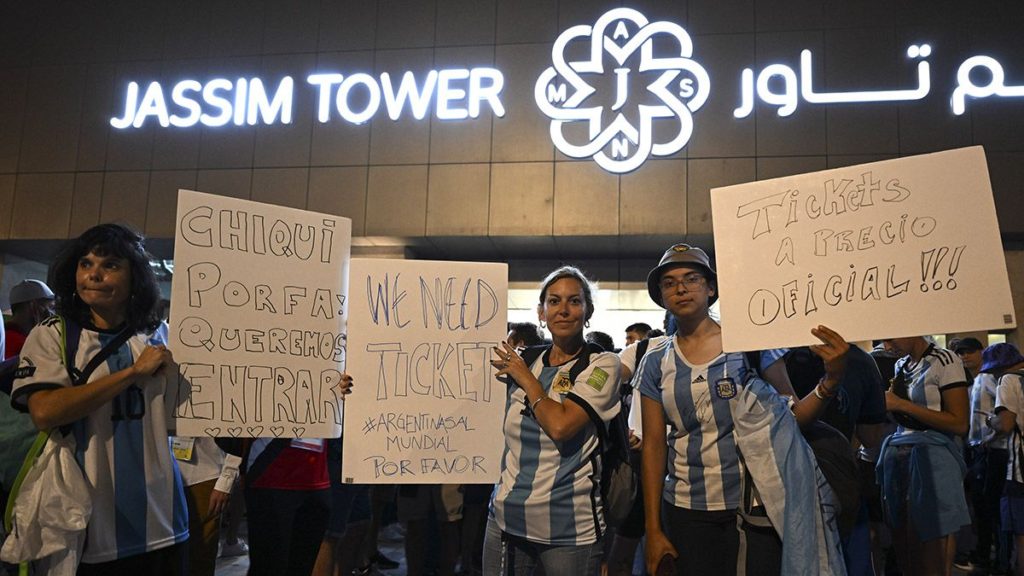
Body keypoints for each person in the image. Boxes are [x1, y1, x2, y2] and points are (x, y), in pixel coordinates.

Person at [637, 243, 850, 576]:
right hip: (684, 509)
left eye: (692, 278)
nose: (680, 288)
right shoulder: (655, 362)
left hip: (754, 506)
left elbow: (794, 420)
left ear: (711, 289)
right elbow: (653, 444)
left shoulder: (750, 348)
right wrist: (653, 528)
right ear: (661, 296)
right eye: (669, 282)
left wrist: (832, 380)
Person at [10, 223, 187, 575]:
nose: (93, 275)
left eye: (110, 265)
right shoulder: (54, 334)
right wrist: (131, 375)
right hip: (89, 522)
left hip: (164, 518)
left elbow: (182, 415)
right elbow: (45, 412)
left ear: (134, 277)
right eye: (86, 264)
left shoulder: (157, 334)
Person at [483, 265, 622, 574]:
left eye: (574, 301)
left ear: (588, 311)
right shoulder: (525, 359)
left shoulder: (602, 364)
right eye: (554, 301)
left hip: (568, 531)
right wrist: (354, 386)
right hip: (505, 520)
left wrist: (526, 379)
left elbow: (561, 426)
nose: (563, 310)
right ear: (541, 312)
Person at [878, 336, 970, 576]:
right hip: (900, 451)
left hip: (934, 456)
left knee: (933, 539)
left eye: (890, 339)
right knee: (903, 536)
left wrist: (901, 405)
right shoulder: (901, 365)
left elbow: (960, 423)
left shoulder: (945, 359)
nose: (887, 347)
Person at [954, 337, 1010, 574]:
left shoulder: (989, 379)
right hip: (978, 448)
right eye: (961, 353)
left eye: (969, 352)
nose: (964, 357)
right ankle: (988, 554)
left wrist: (989, 438)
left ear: (981, 352)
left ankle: (990, 557)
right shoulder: (974, 381)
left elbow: (1002, 412)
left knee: (988, 505)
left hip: (990, 448)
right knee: (982, 505)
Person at [174, 436, 241, 576]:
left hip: (205, 475)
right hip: (166, 476)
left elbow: (238, 436)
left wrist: (226, 480)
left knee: (200, 555)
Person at [988, 343, 1024, 576]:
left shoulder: (1009, 379)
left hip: (1021, 470)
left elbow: (1007, 423)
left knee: (1022, 535)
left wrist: (991, 422)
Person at [4, 279, 56, 359]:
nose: (52, 314)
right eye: (50, 307)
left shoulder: (6, 337)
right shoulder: (22, 344)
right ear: (33, 306)